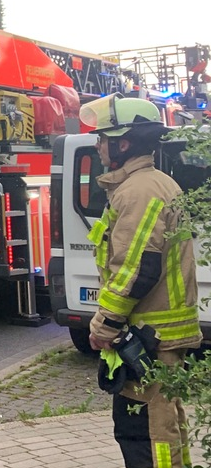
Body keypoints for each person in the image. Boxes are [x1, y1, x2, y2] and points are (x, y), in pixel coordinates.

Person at [79, 94, 201, 468]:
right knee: (162, 422)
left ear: (124, 142)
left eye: (103, 138)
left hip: (150, 336)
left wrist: (104, 325)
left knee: (147, 432)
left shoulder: (138, 191)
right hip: (154, 333)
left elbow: (136, 270)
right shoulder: (153, 184)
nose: (98, 145)